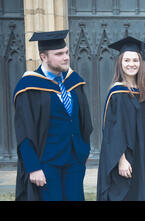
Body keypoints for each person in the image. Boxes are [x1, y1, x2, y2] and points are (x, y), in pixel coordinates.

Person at [13, 30, 93, 201]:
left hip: (74, 160)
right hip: (46, 162)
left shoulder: (73, 81)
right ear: (44, 57)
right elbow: (24, 131)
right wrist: (33, 167)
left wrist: (84, 149)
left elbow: (83, 119)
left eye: (66, 53)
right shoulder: (29, 87)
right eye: (59, 54)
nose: (66, 57)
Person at [96, 36, 145, 201]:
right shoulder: (116, 93)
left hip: (144, 156)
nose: (131, 64)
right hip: (125, 158)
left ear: (141, 63)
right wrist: (121, 160)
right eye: (127, 60)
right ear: (120, 63)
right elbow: (111, 130)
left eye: (135, 60)